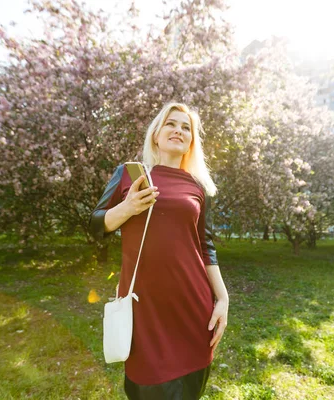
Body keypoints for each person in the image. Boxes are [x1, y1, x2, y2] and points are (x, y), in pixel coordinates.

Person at [89, 102, 229, 399]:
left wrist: (223, 299)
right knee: (146, 387)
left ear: (191, 142)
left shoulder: (198, 187)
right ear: (156, 134)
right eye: (171, 124)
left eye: (185, 127)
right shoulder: (129, 175)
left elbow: (206, 246)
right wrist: (127, 208)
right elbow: (95, 225)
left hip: (193, 309)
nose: (178, 130)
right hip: (144, 310)